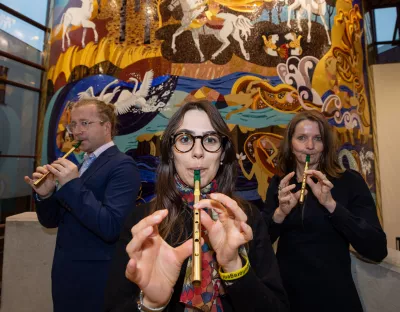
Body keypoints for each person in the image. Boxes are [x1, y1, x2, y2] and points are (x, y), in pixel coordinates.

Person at [104, 101, 289, 312]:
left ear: (222, 155)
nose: (198, 152)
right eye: (184, 139)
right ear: (171, 153)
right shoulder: (145, 222)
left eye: (210, 140)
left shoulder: (246, 217)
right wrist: (151, 305)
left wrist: (234, 267)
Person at [263, 110, 387, 312]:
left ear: (325, 145)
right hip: (288, 297)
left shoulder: (349, 181)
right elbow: (260, 243)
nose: (310, 146)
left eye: (317, 139)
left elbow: (376, 248)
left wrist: (332, 205)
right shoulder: (280, 183)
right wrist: (280, 214)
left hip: (335, 297)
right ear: (291, 145)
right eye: (302, 138)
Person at [24, 99, 141, 312]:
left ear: (107, 127)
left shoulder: (123, 166)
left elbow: (111, 227)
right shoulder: (82, 165)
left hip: (95, 280)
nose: (76, 131)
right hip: (66, 275)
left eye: (85, 123)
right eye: (73, 125)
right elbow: (51, 221)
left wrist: (72, 184)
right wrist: (46, 195)